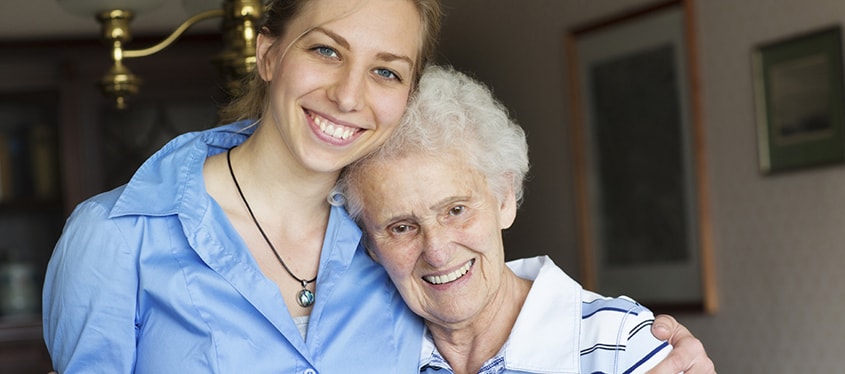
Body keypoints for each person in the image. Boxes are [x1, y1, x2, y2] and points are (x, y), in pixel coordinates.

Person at [42, 0, 711, 372]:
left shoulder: (392, 252)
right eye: (325, 50)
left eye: (386, 71)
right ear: (267, 51)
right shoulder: (114, 239)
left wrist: (640, 348)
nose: (347, 95)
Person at [334, 64, 714, 374]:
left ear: (504, 199)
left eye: (456, 210)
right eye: (402, 228)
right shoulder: (359, 356)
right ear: (369, 244)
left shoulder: (619, 347)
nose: (436, 251)